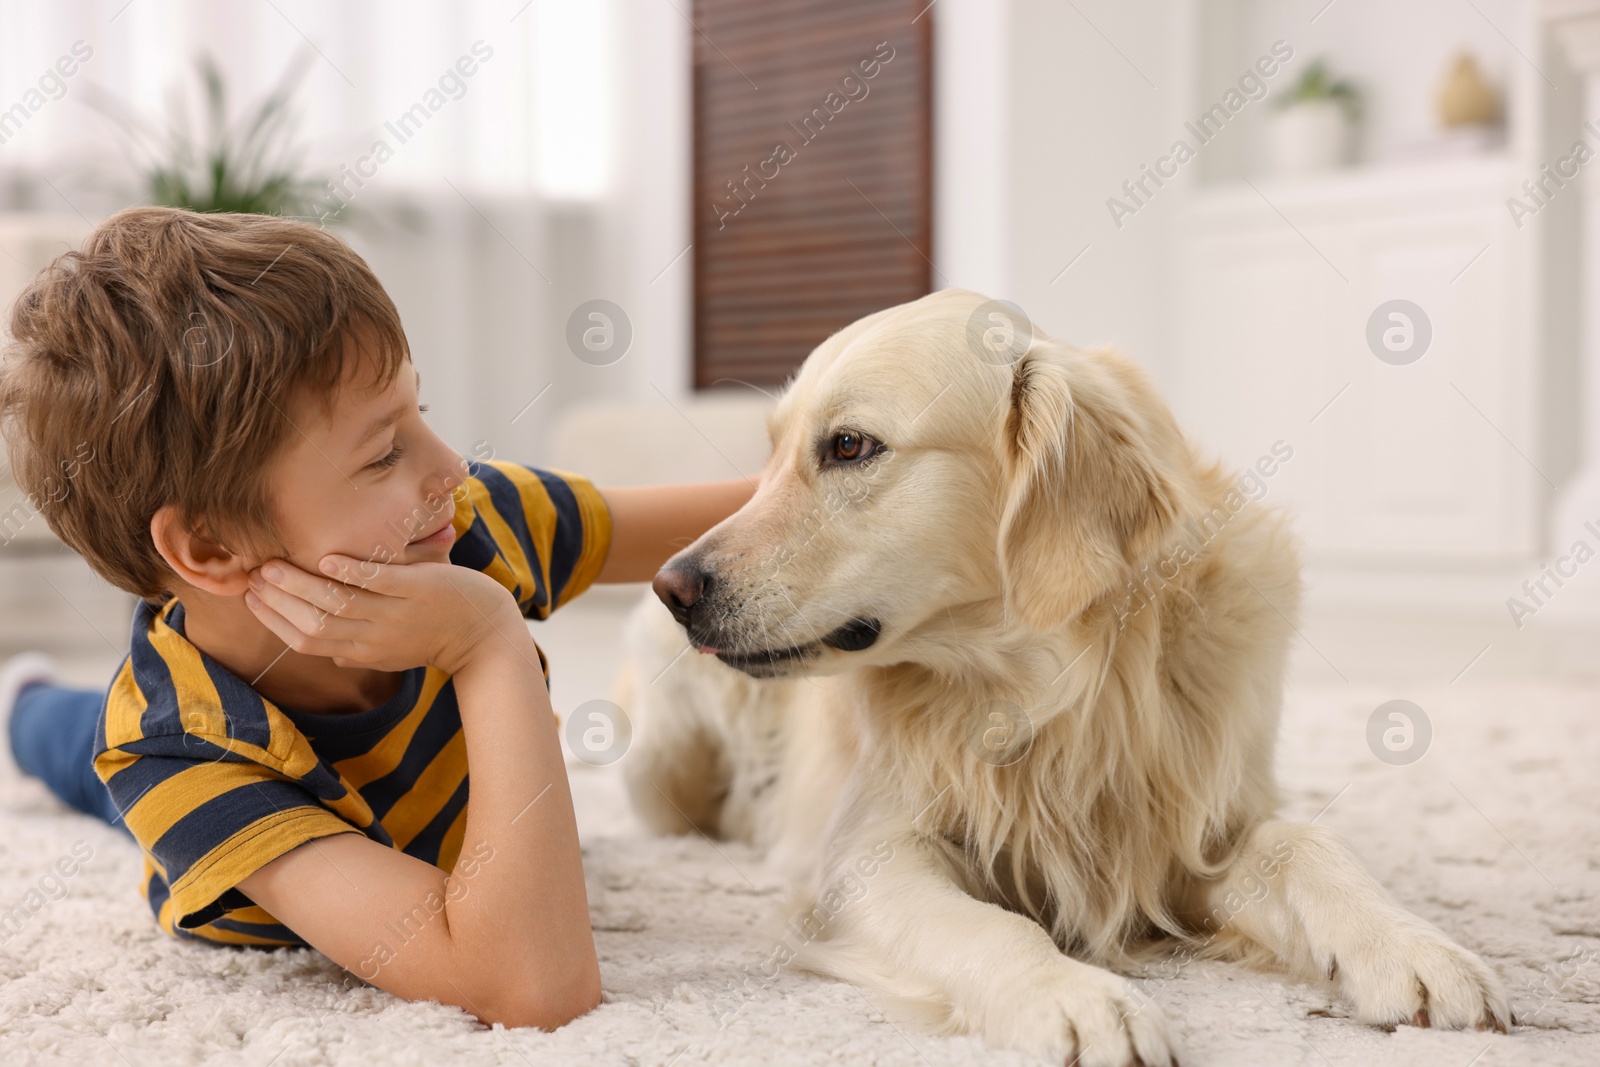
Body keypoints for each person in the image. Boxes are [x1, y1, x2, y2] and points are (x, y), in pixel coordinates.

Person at [0, 206, 754, 1029]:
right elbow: (532, 984)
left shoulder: (454, 522)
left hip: (220, 613)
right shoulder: (170, 747)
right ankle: (22, 700)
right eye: (384, 451)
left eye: (417, 412)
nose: (450, 467)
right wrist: (488, 642)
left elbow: (775, 519)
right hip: (203, 753)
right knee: (71, 749)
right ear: (211, 544)